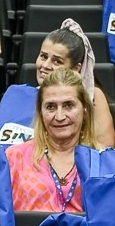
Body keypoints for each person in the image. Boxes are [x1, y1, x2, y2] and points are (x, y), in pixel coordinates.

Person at [8, 77, 95, 214]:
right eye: (51, 107)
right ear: (40, 113)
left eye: (68, 105)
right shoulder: (14, 157)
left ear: (84, 111)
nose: (59, 116)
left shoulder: (102, 160)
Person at [29, 23, 115, 149]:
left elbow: (106, 149)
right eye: (43, 56)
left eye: (57, 61)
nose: (46, 65)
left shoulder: (93, 96)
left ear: (76, 69)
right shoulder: (19, 93)